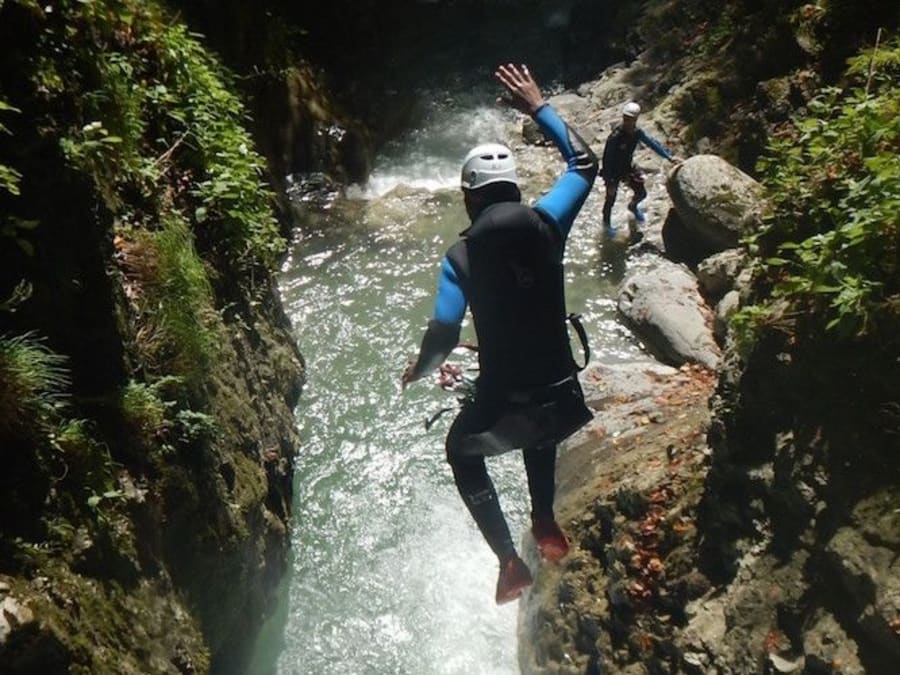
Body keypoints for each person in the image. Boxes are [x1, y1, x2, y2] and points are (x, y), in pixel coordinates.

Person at [401, 63, 598, 605]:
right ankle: (544, 518)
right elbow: (585, 163)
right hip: (561, 397)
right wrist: (539, 105)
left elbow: (443, 336)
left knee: (461, 452)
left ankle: (509, 561)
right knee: (540, 428)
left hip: (501, 405)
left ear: (469, 197)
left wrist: (420, 369)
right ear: (515, 187)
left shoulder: (460, 257)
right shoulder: (549, 224)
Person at [600, 101, 680, 241]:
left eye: (630, 119)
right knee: (610, 199)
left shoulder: (637, 133)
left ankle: (632, 206)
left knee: (641, 193)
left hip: (627, 167)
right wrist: (609, 180)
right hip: (612, 172)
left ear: (635, 119)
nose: (627, 121)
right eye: (625, 118)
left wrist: (669, 157)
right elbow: (607, 159)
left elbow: (652, 143)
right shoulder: (615, 136)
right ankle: (606, 226)